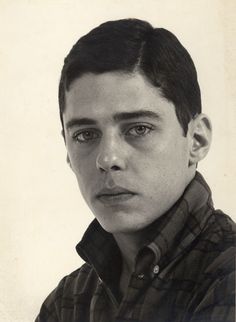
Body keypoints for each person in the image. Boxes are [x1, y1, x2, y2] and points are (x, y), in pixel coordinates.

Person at [36, 18, 235, 322]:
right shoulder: (68, 301)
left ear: (197, 140)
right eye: (85, 135)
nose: (107, 158)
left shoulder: (228, 277)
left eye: (139, 128)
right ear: (67, 150)